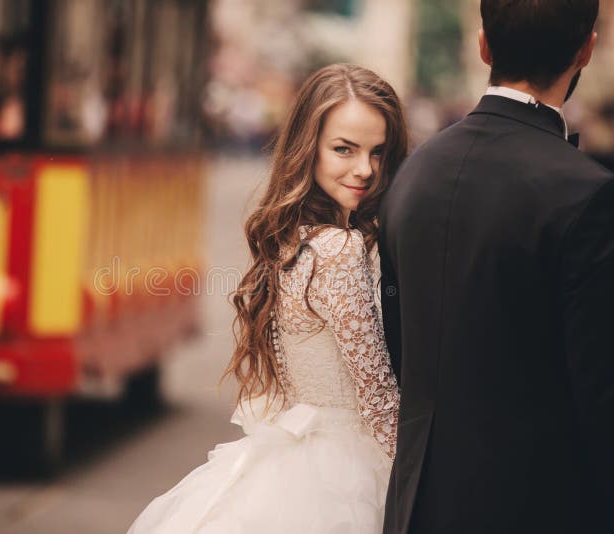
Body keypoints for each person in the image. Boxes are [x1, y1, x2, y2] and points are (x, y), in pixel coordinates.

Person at [378, 1, 614, 533]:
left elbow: (399, 349)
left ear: (483, 45)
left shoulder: (411, 173)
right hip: (541, 510)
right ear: (586, 50)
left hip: (416, 511)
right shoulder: (593, 196)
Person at [127, 63, 408, 533]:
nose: (365, 169)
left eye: (379, 153)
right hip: (343, 479)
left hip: (294, 466)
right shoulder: (339, 247)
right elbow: (378, 399)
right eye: (344, 149)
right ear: (308, 148)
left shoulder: (295, 238)